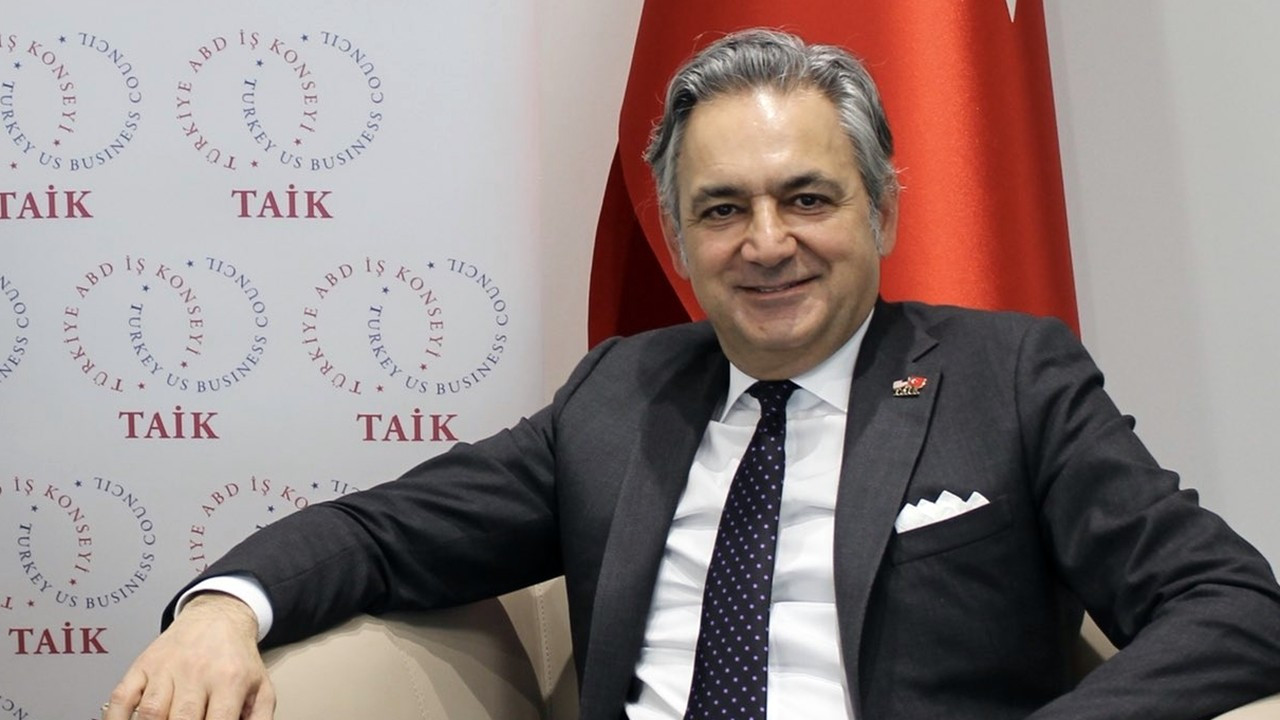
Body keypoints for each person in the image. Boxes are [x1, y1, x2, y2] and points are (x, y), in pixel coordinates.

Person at [107, 28, 1280, 720]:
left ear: (879, 211)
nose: (765, 243)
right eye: (720, 210)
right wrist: (222, 610)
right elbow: (384, 532)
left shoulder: (1008, 377)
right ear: (677, 241)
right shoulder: (616, 396)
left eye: (806, 198)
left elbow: (1230, 606)